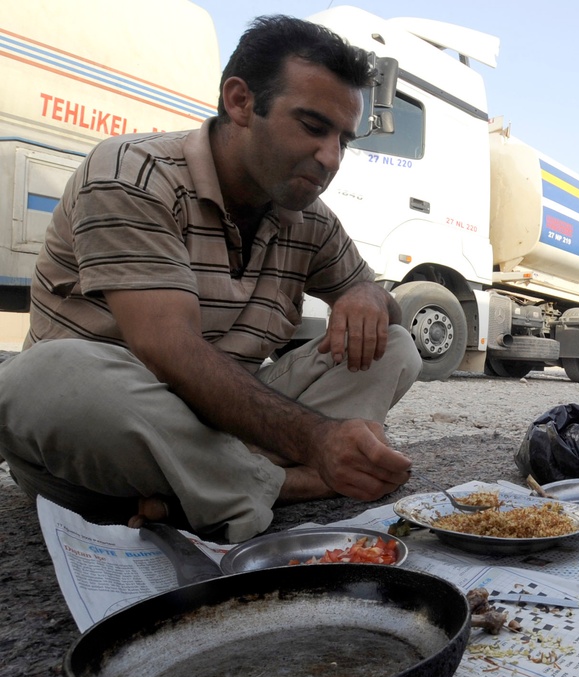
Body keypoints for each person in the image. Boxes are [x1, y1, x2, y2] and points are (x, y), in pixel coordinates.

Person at [0, 16, 423, 542]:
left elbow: (382, 305)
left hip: (218, 429)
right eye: (313, 127)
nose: (331, 157)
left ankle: (198, 493)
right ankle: (293, 484)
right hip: (113, 437)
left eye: (344, 139)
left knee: (394, 344)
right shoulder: (131, 173)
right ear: (240, 101)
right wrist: (317, 440)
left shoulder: (307, 213)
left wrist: (365, 294)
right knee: (41, 376)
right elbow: (169, 350)